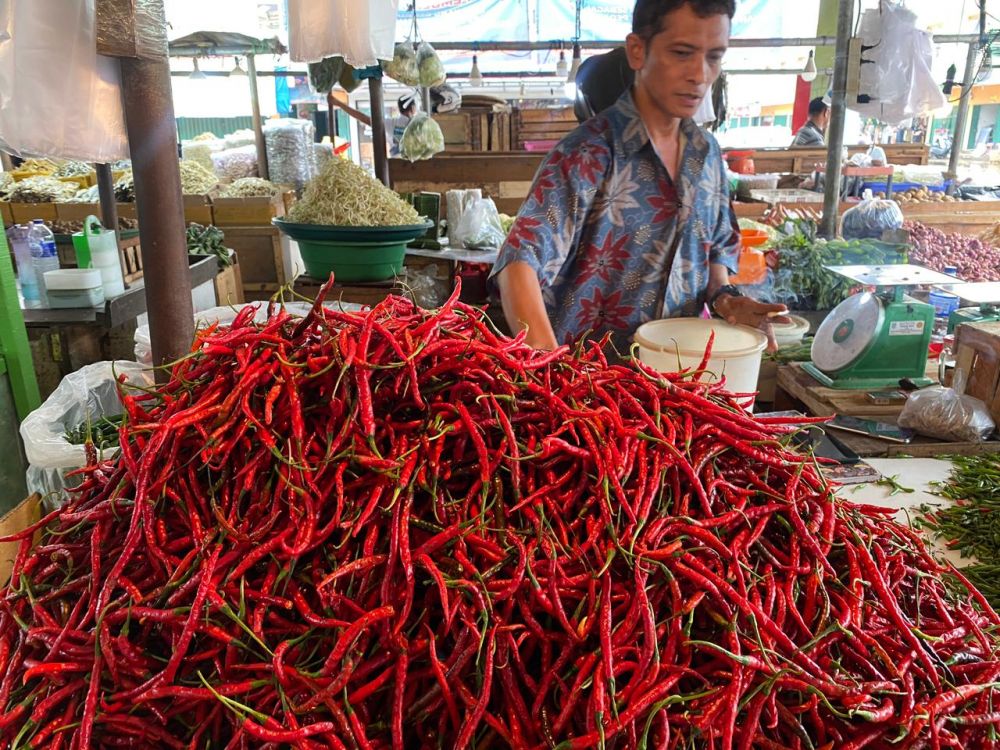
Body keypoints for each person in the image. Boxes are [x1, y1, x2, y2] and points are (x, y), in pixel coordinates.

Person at [492, 0, 788, 354]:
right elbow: (519, 264)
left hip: (680, 375)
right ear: (637, 51)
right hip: (589, 380)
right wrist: (548, 366)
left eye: (713, 57)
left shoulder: (707, 155)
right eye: (682, 53)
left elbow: (715, 263)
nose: (700, 75)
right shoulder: (586, 154)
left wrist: (729, 302)